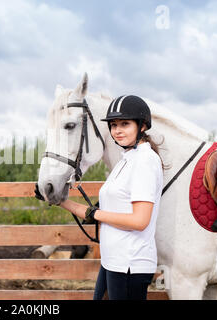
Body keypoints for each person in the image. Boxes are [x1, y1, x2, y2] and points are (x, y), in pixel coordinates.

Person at [35, 95, 164, 300]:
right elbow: (96, 213)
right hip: (113, 261)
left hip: (130, 265)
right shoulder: (126, 159)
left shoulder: (145, 161)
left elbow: (139, 221)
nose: (117, 130)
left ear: (142, 126)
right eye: (113, 125)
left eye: (125, 124)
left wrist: (95, 214)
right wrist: (60, 201)